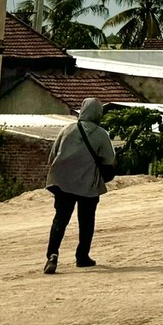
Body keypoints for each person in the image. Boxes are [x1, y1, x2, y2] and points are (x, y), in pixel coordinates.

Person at [44, 98, 118, 274]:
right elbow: (108, 160)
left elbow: (52, 156)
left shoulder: (66, 129)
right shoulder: (101, 134)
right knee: (86, 221)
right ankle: (82, 256)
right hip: (88, 186)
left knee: (60, 220)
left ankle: (52, 255)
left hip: (62, 182)